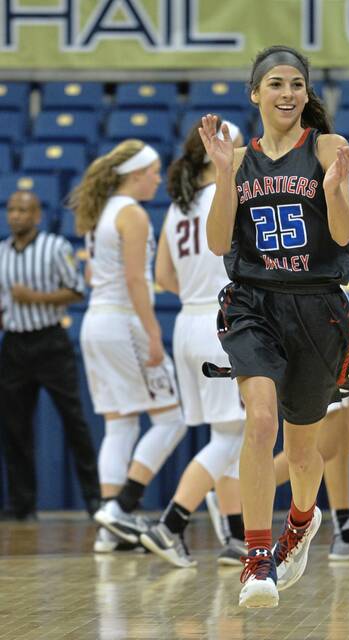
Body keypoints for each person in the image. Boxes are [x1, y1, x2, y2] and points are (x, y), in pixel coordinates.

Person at [198, 45, 349, 608]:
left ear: (306, 93)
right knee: (261, 420)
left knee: (302, 449)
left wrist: (337, 191)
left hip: (316, 307)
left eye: (296, 84)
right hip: (253, 303)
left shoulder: (327, 148)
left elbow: (342, 236)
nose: (286, 93)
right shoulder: (237, 158)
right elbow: (219, 243)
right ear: (255, 93)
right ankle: (255, 559)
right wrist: (222, 176)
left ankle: (299, 522)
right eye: (275, 84)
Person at [68, 140, 188, 553]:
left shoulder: (98, 212)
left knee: (120, 425)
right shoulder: (132, 214)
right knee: (172, 418)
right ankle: (123, 507)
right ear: (135, 174)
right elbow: (137, 281)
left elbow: (90, 275)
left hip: (94, 323)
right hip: (123, 322)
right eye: (153, 171)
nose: (158, 178)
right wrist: (153, 333)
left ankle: (108, 530)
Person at [139, 119, 247, 568]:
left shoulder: (177, 207)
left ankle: (238, 536)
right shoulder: (230, 197)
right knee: (231, 435)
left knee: (229, 434)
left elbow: (162, 277)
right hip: (222, 321)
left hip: (187, 322)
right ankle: (172, 523)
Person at [0, 190, 100, 520]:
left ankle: (94, 501)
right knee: (14, 428)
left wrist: (35, 297)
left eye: (24, 209)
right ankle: (21, 505)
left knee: (74, 422)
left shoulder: (55, 247)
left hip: (51, 343)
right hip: (15, 344)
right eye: (12, 209)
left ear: (37, 215)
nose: (16, 215)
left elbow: (76, 290)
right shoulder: (1, 252)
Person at [274, 304, 349, 561]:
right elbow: (329, 278)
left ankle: (345, 531)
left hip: (318, 322)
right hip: (316, 325)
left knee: (345, 431)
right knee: (324, 442)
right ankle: (238, 492)